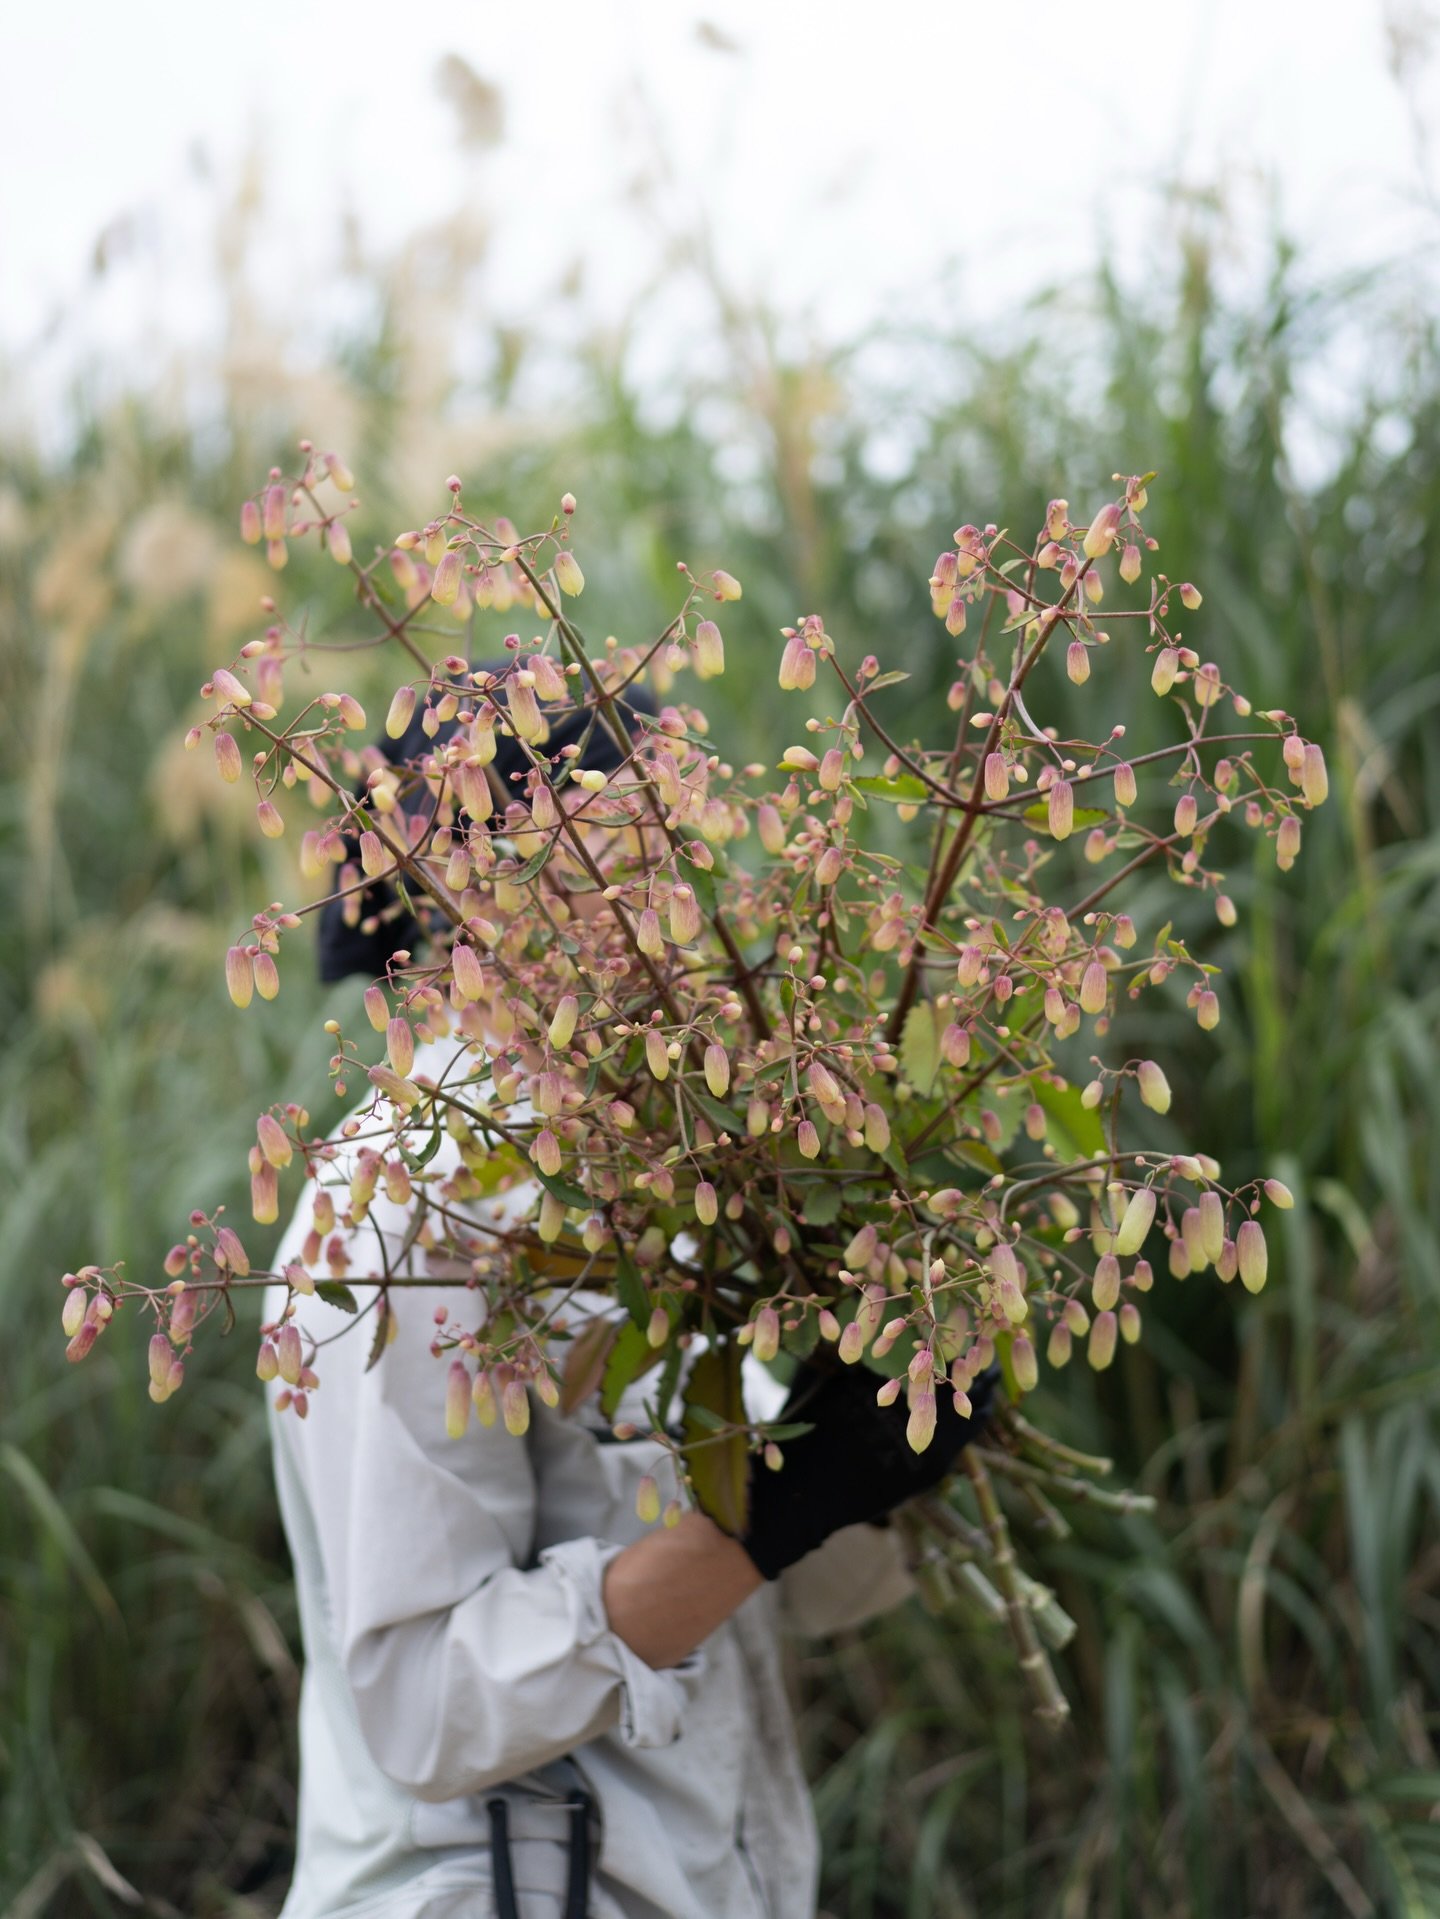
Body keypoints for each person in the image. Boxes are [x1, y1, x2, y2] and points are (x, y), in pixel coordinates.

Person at [263, 665, 998, 1918]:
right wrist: (765, 1511)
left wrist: (881, 1439)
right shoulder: (402, 1203)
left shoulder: (648, 1164)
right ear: (494, 872)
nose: (687, 896)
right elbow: (432, 1697)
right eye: (642, 838)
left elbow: (798, 1584)